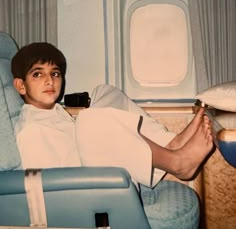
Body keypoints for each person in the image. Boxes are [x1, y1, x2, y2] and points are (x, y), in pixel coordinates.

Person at [11, 42, 214, 188]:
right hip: (91, 184)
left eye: (55, 73)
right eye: (38, 74)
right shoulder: (31, 131)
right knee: (89, 122)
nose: (49, 81)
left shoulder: (53, 111)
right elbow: (46, 187)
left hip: (95, 163)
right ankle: (176, 163)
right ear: (20, 85)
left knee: (104, 92)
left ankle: (170, 144)